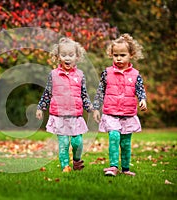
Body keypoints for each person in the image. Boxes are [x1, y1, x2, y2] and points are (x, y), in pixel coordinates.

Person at [36, 37, 94, 172]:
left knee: (77, 142)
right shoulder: (53, 75)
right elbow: (47, 93)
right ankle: (65, 166)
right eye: (63, 55)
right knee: (63, 143)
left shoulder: (80, 75)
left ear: (77, 57)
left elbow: (83, 94)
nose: (67, 58)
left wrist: (90, 108)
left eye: (71, 55)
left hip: (75, 115)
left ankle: (77, 160)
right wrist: (41, 107)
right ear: (58, 57)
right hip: (59, 115)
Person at [93, 33, 147, 176]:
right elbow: (100, 91)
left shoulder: (135, 74)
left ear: (131, 55)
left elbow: (140, 89)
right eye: (115, 55)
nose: (118, 58)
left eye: (122, 55)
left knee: (126, 143)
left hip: (128, 114)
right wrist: (96, 108)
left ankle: (125, 169)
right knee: (114, 136)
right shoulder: (107, 73)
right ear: (111, 55)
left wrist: (142, 99)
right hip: (111, 112)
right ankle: (113, 167)